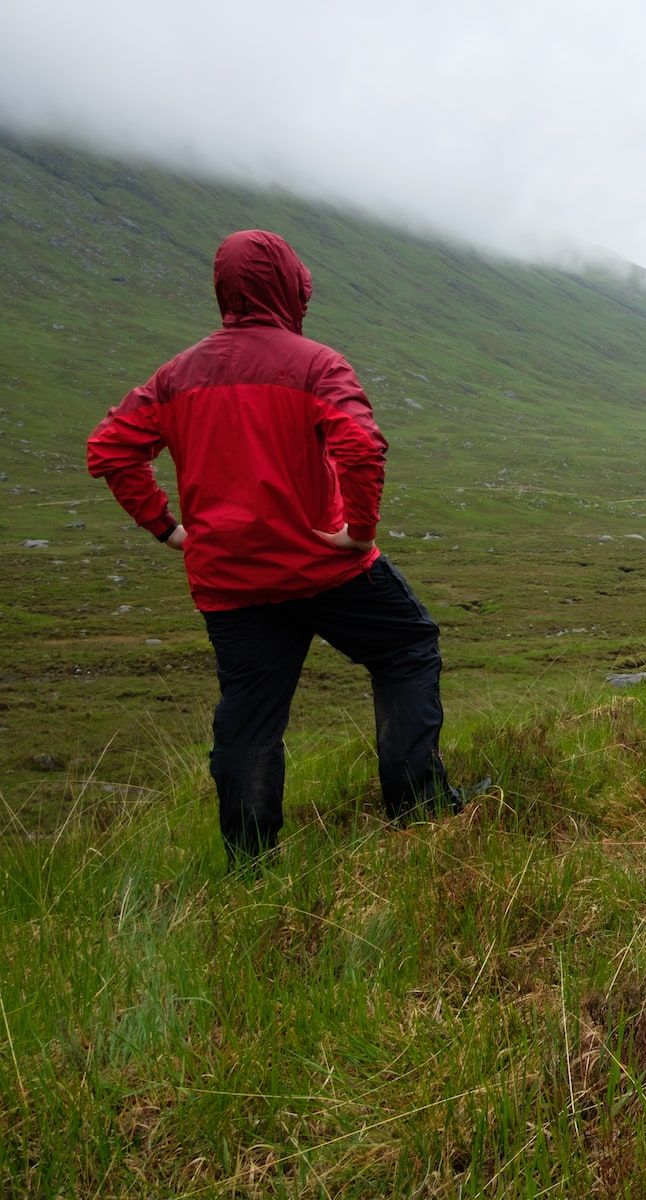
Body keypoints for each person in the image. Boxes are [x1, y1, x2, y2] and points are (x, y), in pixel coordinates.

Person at [87, 229, 463, 864]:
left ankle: (251, 864)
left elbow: (110, 449)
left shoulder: (176, 376)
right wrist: (360, 532)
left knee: (250, 716)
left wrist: (168, 529)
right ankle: (419, 810)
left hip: (231, 583)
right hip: (328, 568)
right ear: (291, 284)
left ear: (223, 289)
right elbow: (362, 445)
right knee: (406, 648)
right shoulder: (316, 364)